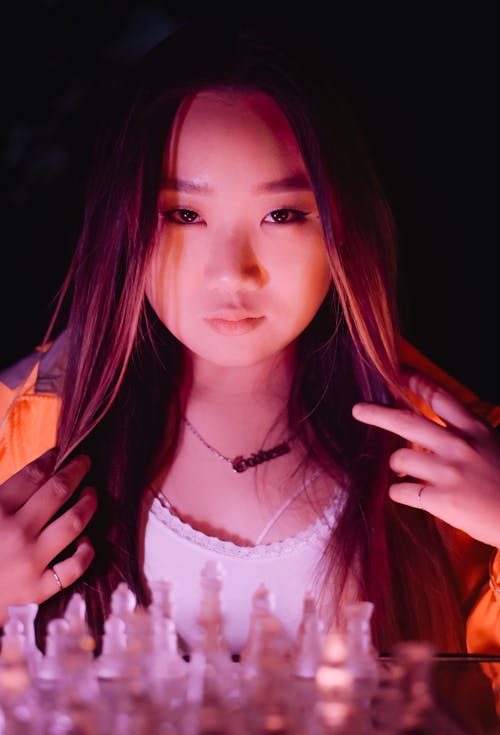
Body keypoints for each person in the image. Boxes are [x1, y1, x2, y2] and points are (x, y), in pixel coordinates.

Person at [0, 19, 499, 661]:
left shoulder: (456, 457)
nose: (233, 271)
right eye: (185, 214)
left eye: (281, 214)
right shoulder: (22, 432)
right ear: (124, 226)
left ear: (343, 226)